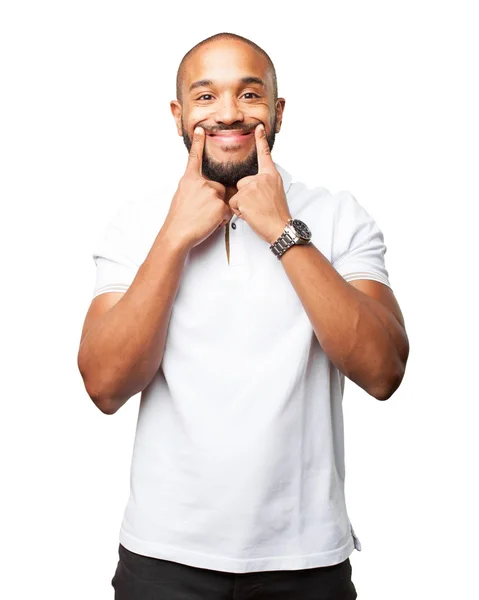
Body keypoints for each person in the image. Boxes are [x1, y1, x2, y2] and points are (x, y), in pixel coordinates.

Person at [77, 32, 409, 600]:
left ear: (277, 112)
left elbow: (383, 372)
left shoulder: (336, 216)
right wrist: (174, 237)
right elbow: (105, 386)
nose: (229, 112)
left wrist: (282, 230)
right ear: (178, 116)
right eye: (206, 97)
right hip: (163, 558)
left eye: (249, 94)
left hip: (306, 563)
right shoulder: (136, 224)